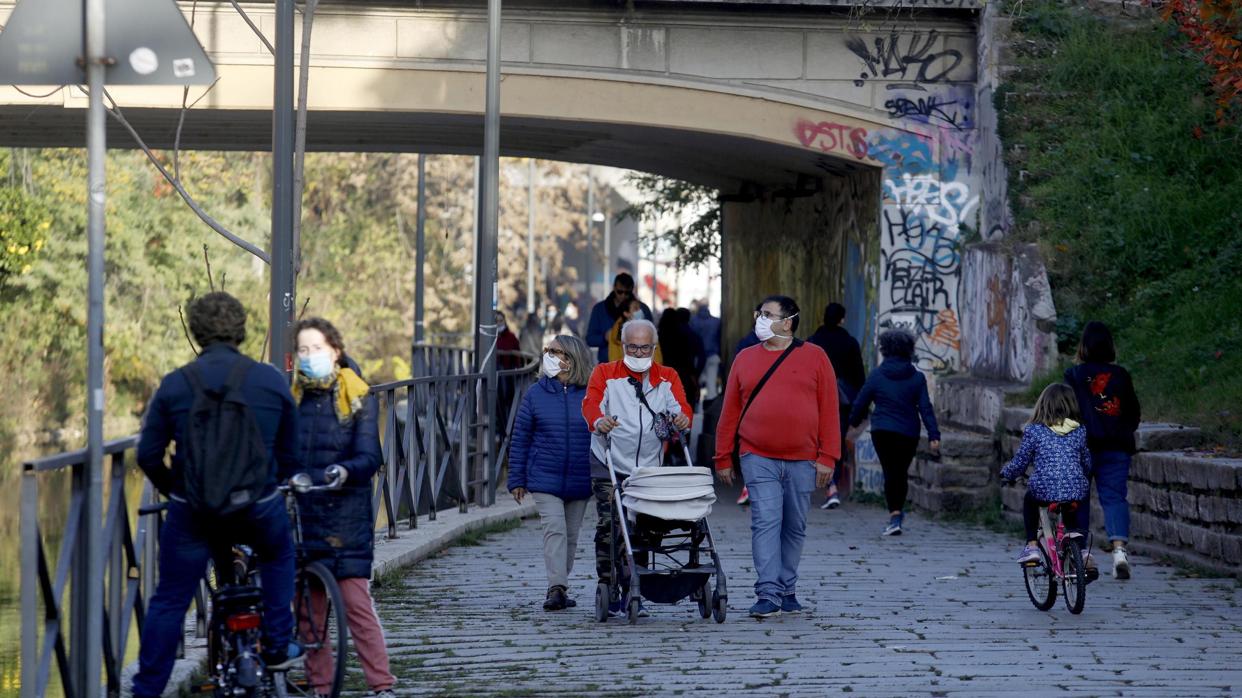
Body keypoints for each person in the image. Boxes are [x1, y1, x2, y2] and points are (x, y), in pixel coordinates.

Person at [133, 292, 301, 698]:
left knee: (170, 599)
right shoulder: (269, 380)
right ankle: (277, 645)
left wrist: (177, 489)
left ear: (196, 330)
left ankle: (146, 689)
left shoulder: (175, 385)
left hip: (194, 514)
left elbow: (148, 455)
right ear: (241, 330)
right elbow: (291, 455)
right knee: (279, 555)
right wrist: (267, 482)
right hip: (257, 509)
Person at [713, 295, 840, 619]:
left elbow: (829, 410)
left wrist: (829, 456)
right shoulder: (744, 359)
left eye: (768, 314)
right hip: (758, 455)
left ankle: (787, 587)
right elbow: (730, 411)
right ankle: (768, 592)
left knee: (794, 525)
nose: (761, 319)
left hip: (803, 458)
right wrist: (723, 456)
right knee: (766, 521)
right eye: (760, 313)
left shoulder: (815, 357)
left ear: (788, 321)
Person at [290, 318, 395, 697]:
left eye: (316, 348)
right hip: (304, 514)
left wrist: (344, 470)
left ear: (335, 351)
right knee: (309, 612)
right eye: (303, 350)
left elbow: (370, 455)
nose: (309, 356)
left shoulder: (357, 394)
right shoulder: (292, 398)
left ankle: (381, 685)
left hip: (346, 516)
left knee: (355, 604)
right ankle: (320, 686)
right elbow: (281, 452)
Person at [583, 318, 692, 616]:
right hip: (609, 461)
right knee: (610, 525)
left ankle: (636, 584)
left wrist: (682, 418)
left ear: (654, 348)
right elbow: (591, 404)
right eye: (633, 346)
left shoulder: (667, 377)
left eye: (645, 348)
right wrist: (599, 421)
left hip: (647, 469)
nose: (639, 353)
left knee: (646, 528)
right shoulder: (605, 373)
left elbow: (682, 408)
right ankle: (608, 582)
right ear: (622, 345)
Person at [507, 335, 595, 611]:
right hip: (545, 477)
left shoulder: (593, 394)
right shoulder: (535, 393)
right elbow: (520, 437)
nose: (547, 355)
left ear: (569, 359)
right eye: (548, 350)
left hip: (581, 478)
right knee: (554, 530)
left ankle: (561, 584)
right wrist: (517, 479)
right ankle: (556, 588)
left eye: (553, 351)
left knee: (570, 536)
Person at [1063, 321, 1141, 579]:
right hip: (1116, 447)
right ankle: (1119, 551)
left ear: (1083, 346)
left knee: (1079, 499)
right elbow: (1133, 413)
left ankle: (1082, 554)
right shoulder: (1121, 375)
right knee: (1115, 497)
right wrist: (1121, 431)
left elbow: (1065, 411)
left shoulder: (1073, 375)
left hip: (1081, 447)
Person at [848, 329, 941, 537]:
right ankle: (897, 515)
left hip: (882, 431)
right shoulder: (917, 378)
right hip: (908, 432)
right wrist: (934, 435)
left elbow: (861, 402)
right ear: (909, 350)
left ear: (885, 349)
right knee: (900, 473)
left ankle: (894, 515)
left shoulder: (877, 376)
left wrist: (852, 423)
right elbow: (925, 408)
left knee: (890, 472)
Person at [1000, 384, 1092, 566]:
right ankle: (1081, 551)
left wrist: (1006, 473)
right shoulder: (1080, 430)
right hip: (1075, 486)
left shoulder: (1034, 431)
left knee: (1030, 501)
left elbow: (1021, 461)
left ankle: (1032, 545)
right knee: (1073, 504)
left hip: (1044, 487)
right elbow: (1086, 461)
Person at [808, 302, 867, 509]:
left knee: (816, 442)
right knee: (836, 442)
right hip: (841, 402)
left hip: (814, 401)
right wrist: (862, 407)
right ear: (842, 319)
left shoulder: (813, 342)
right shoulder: (849, 342)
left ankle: (828, 485)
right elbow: (859, 376)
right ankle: (832, 485)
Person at [586, 272, 653, 364]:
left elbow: (652, 338)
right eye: (620, 292)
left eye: (627, 293)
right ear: (614, 288)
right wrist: (605, 337)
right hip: (608, 365)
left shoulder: (642, 309)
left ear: (632, 290)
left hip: (636, 365)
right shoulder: (599, 309)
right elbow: (590, 339)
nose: (623, 296)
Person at [658, 308, 702, 411]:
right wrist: (695, 382)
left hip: (662, 379)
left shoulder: (657, 338)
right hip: (682, 378)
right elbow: (689, 362)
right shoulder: (684, 337)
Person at [607, 296, 663, 365]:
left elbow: (657, 358)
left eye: (640, 308)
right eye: (636, 308)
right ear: (626, 313)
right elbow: (614, 361)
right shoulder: (615, 334)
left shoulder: (650, 331)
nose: (640, 311)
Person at [690, 301, 722, 403]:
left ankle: (697, 408)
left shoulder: (693, 321)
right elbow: (719, 338)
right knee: (711, 384)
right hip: (712, 354)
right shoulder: (716, 321)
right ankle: (711, 408)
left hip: (698, 356)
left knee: (696, 382)